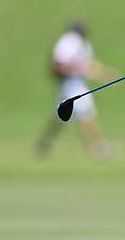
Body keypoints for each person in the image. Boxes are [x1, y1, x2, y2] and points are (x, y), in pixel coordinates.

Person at [35, 21, 116, 159]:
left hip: (74, 82)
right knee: (86, 113)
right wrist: (81, 69)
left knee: (60, 115)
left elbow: (87, 64)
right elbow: (58, 63)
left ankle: (44, 142)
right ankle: (96, 147)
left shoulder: (80, 43)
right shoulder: (68, 41)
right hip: (71, 83)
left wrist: (103, 73)